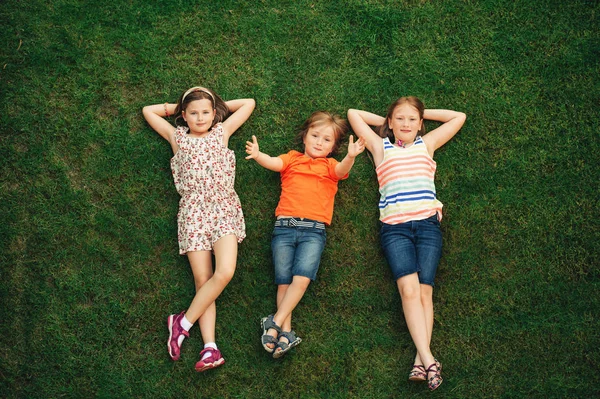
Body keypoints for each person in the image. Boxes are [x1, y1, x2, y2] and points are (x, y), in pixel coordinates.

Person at [347, 97, 465, 391]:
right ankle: (429, 359)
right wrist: (385, 122)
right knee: (408, 290)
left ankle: (418, 360)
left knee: (425, 293)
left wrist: (421, 113)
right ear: (389, 122)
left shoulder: (427, 144)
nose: (406, 124)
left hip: (427, 226)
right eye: (399, 119)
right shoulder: (379, 147)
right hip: (395, 229)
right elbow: (353, 114)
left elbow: (458, 117)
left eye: (412, 120)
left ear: (421, 124)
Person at [142, 87, 255, 371]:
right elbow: (148, 111)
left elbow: (248, 103)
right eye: (193, 113)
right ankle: (210, 348)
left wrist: (214, 103)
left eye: (206, 112)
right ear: (183, 116)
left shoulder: (222, 131)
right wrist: (178, 105)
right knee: (203, 280)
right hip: (192, 212)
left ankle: (182, 323)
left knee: (225, 271)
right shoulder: (176, 136)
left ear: (215, 113)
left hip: (223, 208)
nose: (200, 117)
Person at [245, 111, 365, 358]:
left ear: (333, 147)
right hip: (284, 228)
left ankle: (274, 321)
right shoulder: (292, 159)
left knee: (302, 278)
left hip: (313, 231)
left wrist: (351, 157)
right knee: (283, 281)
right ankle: (285, 332)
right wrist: (259, 156)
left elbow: (342, 171)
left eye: (327, 140)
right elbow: (274, 163)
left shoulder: (331, 166)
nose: (319, 142)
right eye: (315, 135)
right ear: (304, 137)